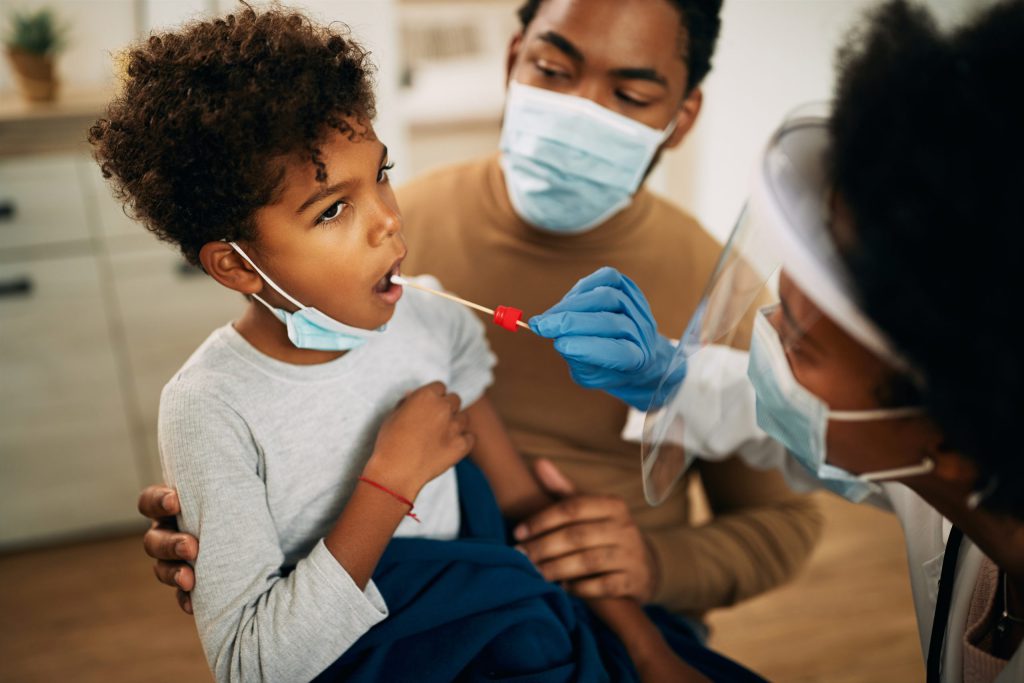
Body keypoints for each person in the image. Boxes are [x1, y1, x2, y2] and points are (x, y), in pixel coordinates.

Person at [93, 7, 766, 682]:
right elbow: (253, 664)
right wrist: (391, 480)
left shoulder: (430, 318)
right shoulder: (209, 407)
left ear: (683, 113)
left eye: (382, 174)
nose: (388, 218)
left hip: (524, 627)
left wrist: (652, 654)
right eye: (334, 208)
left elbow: (529, 515)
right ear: (237, 267)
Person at [530, 1, 1024, 681]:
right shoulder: (950, 474)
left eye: (799, 343)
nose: (765, 337)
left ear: (955, 426)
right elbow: (790, 426)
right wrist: (668, 376)